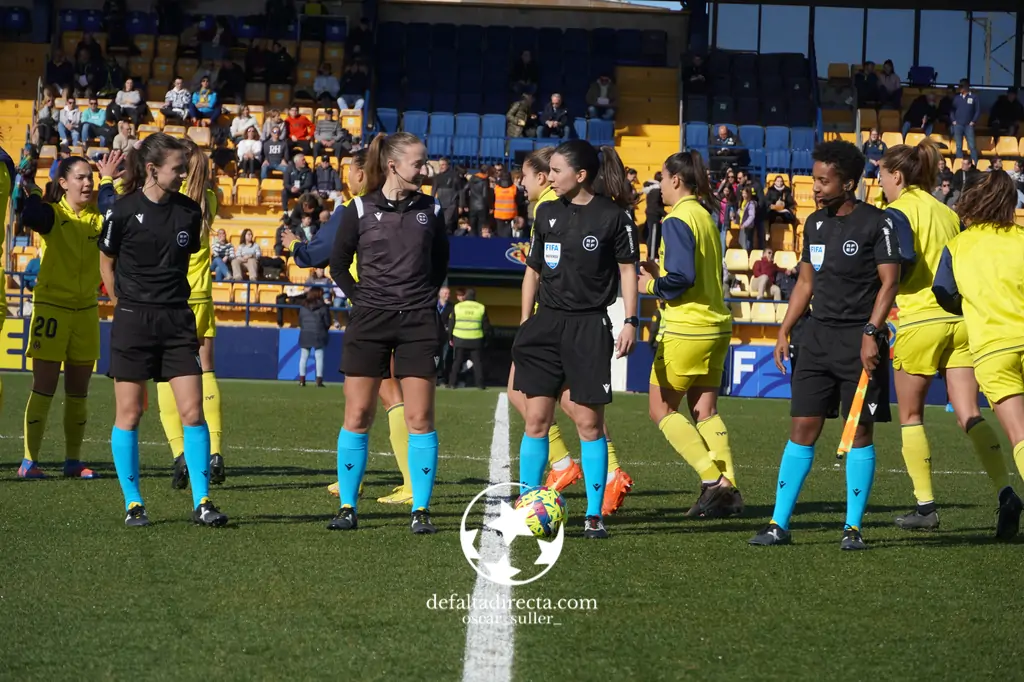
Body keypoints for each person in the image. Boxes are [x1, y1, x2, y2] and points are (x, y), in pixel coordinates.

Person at [749, 140, 901, 550]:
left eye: (822, 180)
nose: (815, 187)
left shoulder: (877, 223)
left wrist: (872, 332)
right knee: (802, 428)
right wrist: (785, 329)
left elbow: (890, 282)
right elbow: (805, 282)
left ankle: (853, 528)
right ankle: (778, 523)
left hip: (860, 342)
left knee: (859, 433)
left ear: (848, 183)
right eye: (814, 179)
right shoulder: (813, 223)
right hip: (815, 338)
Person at [879, 140, 1019, 536]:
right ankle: (1005, 491)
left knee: (910, 415)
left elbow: (897, 270)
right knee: (969, 414)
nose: (880, 182)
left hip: (919, 320)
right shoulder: (945, 212)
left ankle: (925, 507)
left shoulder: (896, 212)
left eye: (882, 175)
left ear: (897, 176)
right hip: (961, 323)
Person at [98, 133, 228, 528]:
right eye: (177, 169)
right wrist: (122, 303)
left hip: (176, 321)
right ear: (153, 170)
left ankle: (202, 500)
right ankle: (134, 502)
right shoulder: (122, 211)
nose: (182, 175)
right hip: (133, 321)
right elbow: (107, 261)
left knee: (193, 411)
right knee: (131, 412)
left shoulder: (189, 212)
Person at [513, 139, 639, 540]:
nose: (549, 177)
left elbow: (628, 271)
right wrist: (524, 322)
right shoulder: (546, 212)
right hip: (546, 325)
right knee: (536, 419)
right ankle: (528, 503)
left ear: (580, 175)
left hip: (589, 327)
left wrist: (631, 321)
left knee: (588, 423)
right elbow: (532, 270)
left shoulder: (613, 217)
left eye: (555, 170)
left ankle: (593, 515)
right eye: (547, 171)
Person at [328, 132, 449, 533]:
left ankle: (421, 510)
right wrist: (361, 300)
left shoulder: (433, 208)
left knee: (419, 417)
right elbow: (339, 263)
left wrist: (419, 299)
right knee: (359, 413)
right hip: (370, 321)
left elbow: (438, 264)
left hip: (418, 322)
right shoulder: (359, 207)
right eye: (419, 163)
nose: (425, 169)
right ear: (394, 164)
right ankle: (348, 508)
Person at [283, 150, 417, 505]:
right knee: (373, 396)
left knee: (385, 396)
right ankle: (355, 480)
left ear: (361, 172)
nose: (346, 179)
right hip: (397, 308)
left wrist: (293, 245)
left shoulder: (355, 208)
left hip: (371, 311)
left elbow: (316, 255)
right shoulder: (391, 207)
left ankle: (408, 484)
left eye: (349, 172)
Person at [640, 150, 742, 518]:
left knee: (660, 408)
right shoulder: (705, 215)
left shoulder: (678, 218)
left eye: (662, 179)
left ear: (676, 180)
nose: (659, 186)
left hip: (687, 328)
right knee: (706, 411)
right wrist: (661, 272)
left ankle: (713, 480)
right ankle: (727, 491)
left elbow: (682, 279)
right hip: (716, 325)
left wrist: (650, 285)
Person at [932, 171, 1024, 538]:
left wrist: (978, 303)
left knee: (1019, 437)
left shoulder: (958, 246)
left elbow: (945, 294)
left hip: (993, 348)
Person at [16, 153, 120, 479]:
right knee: (43, 387)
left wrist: (110, 181)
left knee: (79, 391)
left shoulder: (98, 218)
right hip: (52, 310)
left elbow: (119, 216)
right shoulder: (53, 215)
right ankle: (29, 461)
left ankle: (72, 461)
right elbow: (29, 214)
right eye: (80, 177)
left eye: (90, 177)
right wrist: (33, 189)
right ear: (63, 184)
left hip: (86, 311)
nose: (87, 183)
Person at [155, 139, 227, 491]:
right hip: (202, 296)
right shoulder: (208, 199)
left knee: (164, 374)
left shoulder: (170, 197)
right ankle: (214, 450)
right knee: (207, 370)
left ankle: (179, 452)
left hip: (170, 296)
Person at [447, 288, 489, 389]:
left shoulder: (457, 307)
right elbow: (486, 326)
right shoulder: (481, 307)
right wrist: (486, 340)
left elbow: (451, 324)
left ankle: (452, 383)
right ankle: (480, 384)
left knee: (457, 361)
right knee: (477, 362)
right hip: (475, 339)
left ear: (465, 296)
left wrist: (450, 338)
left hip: (459, 338)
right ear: (475, 296)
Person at [297, 287, 332, 386]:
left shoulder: (303, 306)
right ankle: (319, 381)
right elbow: (327, 322)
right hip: (319, 333)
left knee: (303, 357)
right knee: (319, 357)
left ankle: (302, 380)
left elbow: (300, 321)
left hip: (305, 333)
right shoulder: (323, 307)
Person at [951, 79, 980, 163]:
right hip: (958, 125)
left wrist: (973, 121)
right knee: (958, 146)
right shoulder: (956, 98)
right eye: (959, 86)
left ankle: (975, 164)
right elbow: (951, 110)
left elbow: (977, 111)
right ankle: (960, 164)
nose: (960, 88)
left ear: (966, 86)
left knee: (972, 146)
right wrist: (953, 120)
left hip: (968, 125)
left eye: (961, 86)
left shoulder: (974, 97)